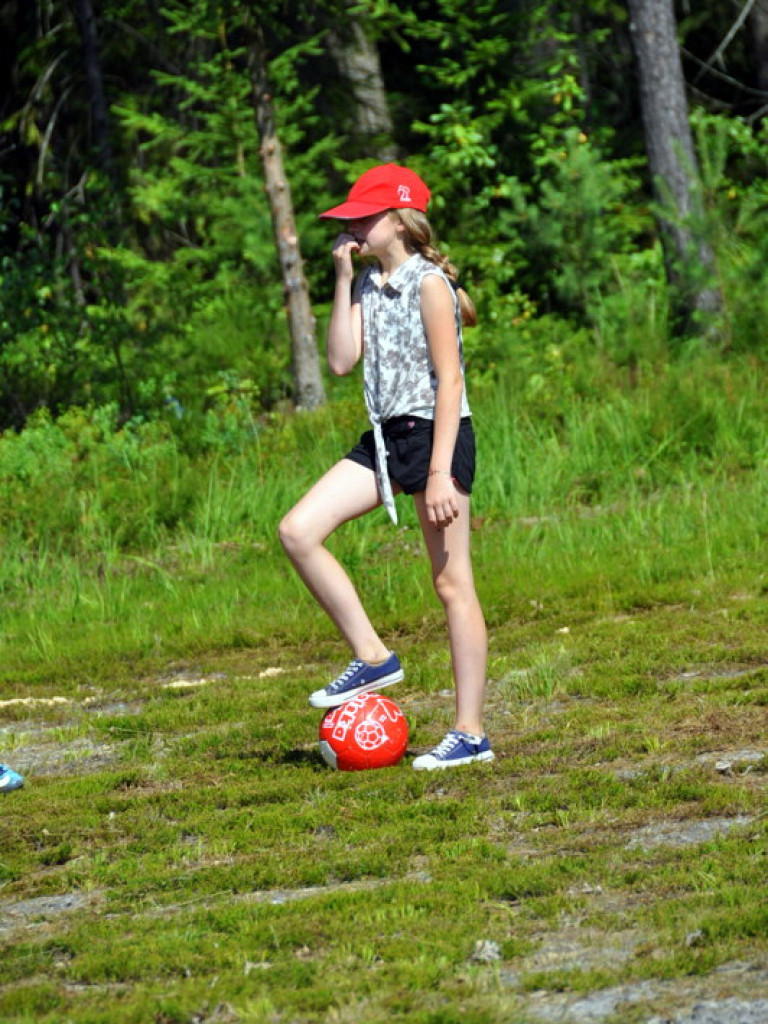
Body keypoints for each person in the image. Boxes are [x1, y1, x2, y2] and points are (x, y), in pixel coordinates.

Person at [279, 163, 493, 770]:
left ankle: (470, 733)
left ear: (399, 220)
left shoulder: (430, 285)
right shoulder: (368, 284)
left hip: (434, 439)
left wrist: (439, 473)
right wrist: (344, 277)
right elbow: (343, 361)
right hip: (382, 438)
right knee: (298, 530)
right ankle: (374, 657)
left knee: (453, 585)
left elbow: (451, 382)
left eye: (362, 217)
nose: (350, 226)